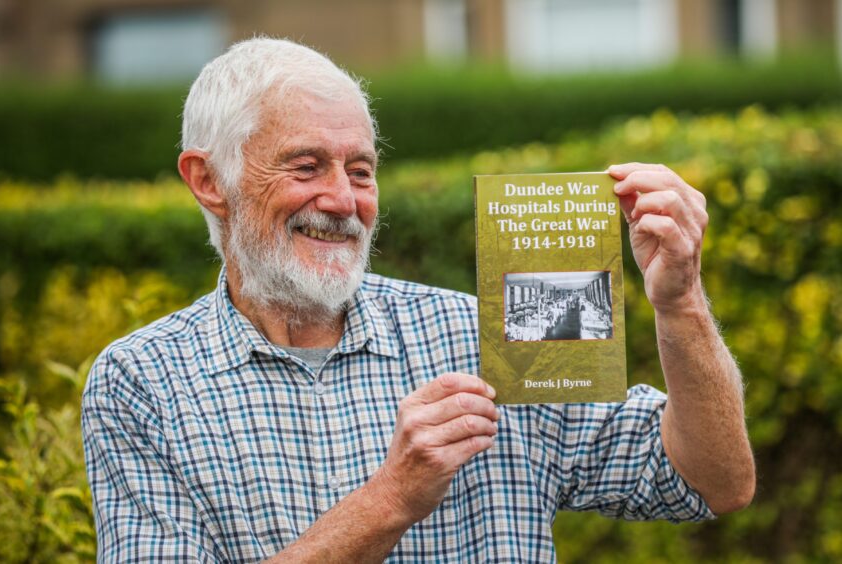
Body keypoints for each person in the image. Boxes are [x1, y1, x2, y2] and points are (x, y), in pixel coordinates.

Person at [81, 37, 755, 563]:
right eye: (306, 166)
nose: (343, 201)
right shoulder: (142, 382)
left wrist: (681, 301)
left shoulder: (491, 330)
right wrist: (394, 497)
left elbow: (711, 482)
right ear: (208, 179)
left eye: (361, 170)